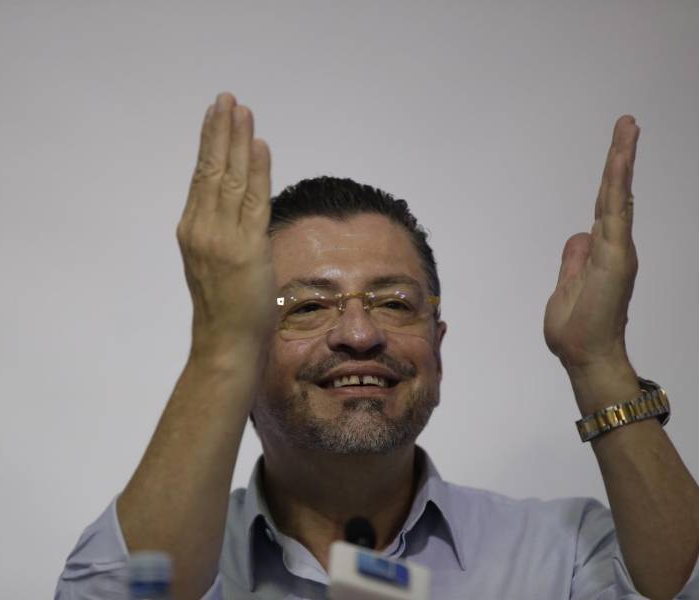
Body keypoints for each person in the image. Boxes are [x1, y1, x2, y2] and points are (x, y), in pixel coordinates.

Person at [55, 92, 699, 600]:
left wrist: (599, 361)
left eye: (394, 303)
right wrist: (219, 350)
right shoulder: (167, 548)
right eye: (307, 307)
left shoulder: (559, 553)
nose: (360, 334)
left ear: (438, 351)